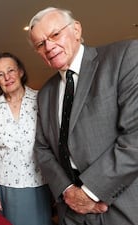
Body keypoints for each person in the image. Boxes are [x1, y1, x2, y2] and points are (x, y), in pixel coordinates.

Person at [28, 7, 138, 225]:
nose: (49, 46)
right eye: (40, 44)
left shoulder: (124, 56)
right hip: (70, 210)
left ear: (76, 29)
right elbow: (42, 149)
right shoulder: (46, 93)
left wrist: (89, 192)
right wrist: (68, 191)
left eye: (55, 34)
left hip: (118, 206)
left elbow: (134, 137)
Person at [0, 52, 52, 225]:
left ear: (20, 72)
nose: (7, 77)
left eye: (10, 70)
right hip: (3, 187)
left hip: (38, 183)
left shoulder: (41, 100)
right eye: (0, 75)